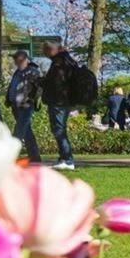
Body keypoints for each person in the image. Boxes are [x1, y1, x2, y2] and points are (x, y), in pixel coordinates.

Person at [39, 42, 79, 170]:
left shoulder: (59, 63)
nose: (45, 52)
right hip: (64, 101)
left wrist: (40, 81)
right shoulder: (68, 61)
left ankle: (67, 160)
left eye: (47, 50)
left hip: (58, 101)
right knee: (59, 129)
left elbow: (55, 83)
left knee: (59, 130)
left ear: (56, 50)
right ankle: (64, 158)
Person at [5, 49, 43, 163]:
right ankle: (35, 157)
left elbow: (38, 88)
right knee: (26, 131)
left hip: (26, 105)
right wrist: (8, 98)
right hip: (15, 105)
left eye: (18, 59)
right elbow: (13, 86)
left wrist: (32, 99)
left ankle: (10, 156)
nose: (16, 61)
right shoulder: (18, 72)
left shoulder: (32, 71)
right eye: (15, 59)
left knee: (19, 131)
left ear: (25, 59)